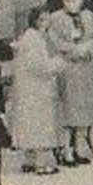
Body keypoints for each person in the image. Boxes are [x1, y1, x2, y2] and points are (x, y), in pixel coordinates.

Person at [45, 0, 93, 164]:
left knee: (84, 111)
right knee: (68, 112)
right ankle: (66, 151)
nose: (69, 4)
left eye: (73, 0)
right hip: (68, 69)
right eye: (66, 0)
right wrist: (73, 50)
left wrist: (89, 49)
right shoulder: (55, 18)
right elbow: (53, 41)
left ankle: (80, 149)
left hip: (86, 69)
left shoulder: (91, 17)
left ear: (81, 1)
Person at [9, 9, 63, 175]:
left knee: (30, 123)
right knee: (40, 124)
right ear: (35, 21)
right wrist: (59, 63)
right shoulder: (34, 39)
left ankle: (29, 160)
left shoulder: (29, 38)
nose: (45, 24)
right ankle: (41, 164)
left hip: (29, 89)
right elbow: (40, 67)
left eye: (47, 20)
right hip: (37, 89)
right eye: (42, 20)